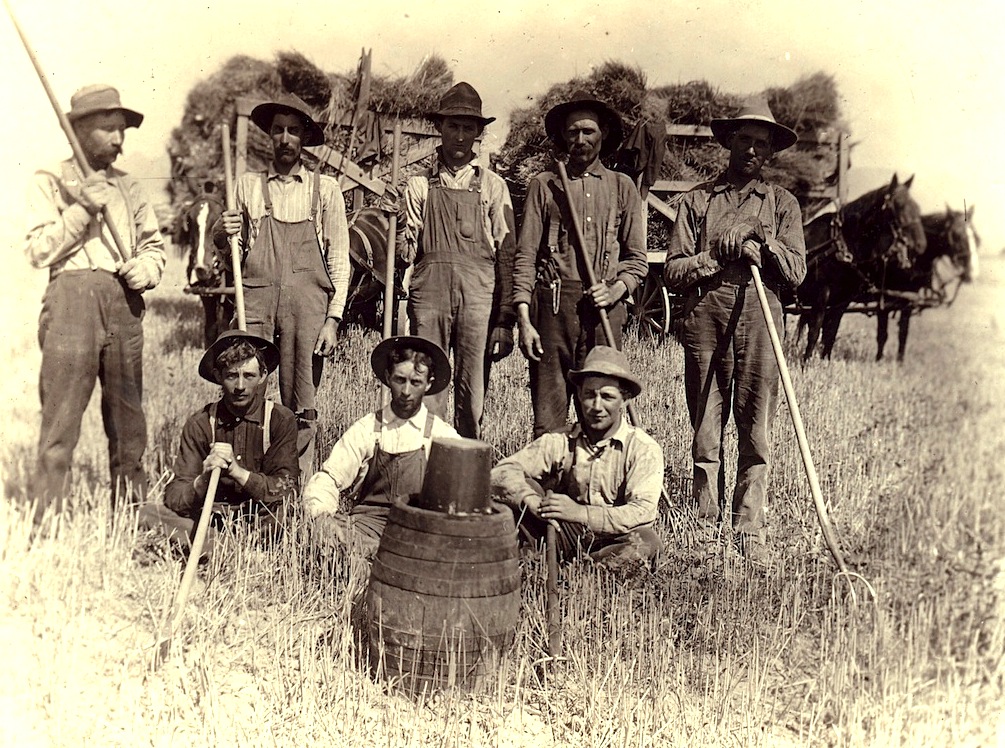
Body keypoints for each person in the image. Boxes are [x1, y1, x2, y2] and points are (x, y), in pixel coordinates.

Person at [662, 98, 807, 565]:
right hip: (707, 312)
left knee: (756, 426)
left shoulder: (783, 205)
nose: (750, 150)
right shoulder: (697, 201)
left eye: (760, 144)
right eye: (743, 140)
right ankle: (705, 526)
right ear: (729, 143)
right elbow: (673, 271)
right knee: (706, 425)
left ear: (769, 153)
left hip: (762, 315)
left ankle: (748, 528)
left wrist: (760, 241)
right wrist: (715, 257)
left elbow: (798, 271)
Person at [24, 84, 166, 517]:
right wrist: (82, 209)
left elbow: (153, 247)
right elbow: (37, 250)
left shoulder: (131, 188)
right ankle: (45, 519)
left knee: (128, 419)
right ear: (79, 130)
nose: (119, 140)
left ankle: (132, 513)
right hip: (71, 302)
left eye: (121, 130)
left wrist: (147, 269)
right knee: (61, 418)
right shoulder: (50, 180)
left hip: (122, 303)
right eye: (108, 129)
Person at [214, 96, 351, 476]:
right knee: (244, 383)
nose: (285, 138)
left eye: (293, 130)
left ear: (304, 136)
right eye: (277, 130)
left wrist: (333, 320)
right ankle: (243, 474)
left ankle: (294, 478)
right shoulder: (247, 186)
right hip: (256, 298)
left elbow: (339, 261)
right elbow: (235, 262)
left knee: (301, 397)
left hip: (307, 305)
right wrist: (222, 236)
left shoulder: (326, 191)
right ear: (269, 136)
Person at [512, 91, 648, 437]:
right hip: (553, 309)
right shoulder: (545, 185)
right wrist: (525, 321)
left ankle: (596, 488)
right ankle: (549, 489)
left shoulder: (623, 187)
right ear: (562, 137)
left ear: (602, 134)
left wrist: (616, 288)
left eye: (588, 131)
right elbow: (526, 256)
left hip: (604, 312)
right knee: (548, 420)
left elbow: (637, 261)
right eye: (572, 133)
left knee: (599, 413)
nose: (580, 140)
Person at [398, 82, 516, 439]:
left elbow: (507, 255)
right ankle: (421, 464)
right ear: (440, 128)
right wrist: (398, 223)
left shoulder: (494, 186)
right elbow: (406, 253)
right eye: (453, 126)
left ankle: (464, 470)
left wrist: (505, 318)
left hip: (478, 298)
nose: (460, 136)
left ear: (479, 133)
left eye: (469, 128)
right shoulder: (419, 185)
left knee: (472, 388)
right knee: (425, 379)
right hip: (430, 294)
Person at [491, 345, 664, 568]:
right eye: (589, 395)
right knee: (518, 491)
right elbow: (500, 473)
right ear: (579, 396)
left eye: (607, 397)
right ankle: (543, 563)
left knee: (648, 543)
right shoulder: (561, 440)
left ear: (625, 400)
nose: (596, 406)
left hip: (615, 538)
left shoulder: (642, 448)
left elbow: (642, 512)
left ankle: (583, 572)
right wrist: (530, 500)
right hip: (563, 533)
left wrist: (580, 512)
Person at [138, 330, 299, 554]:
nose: (240, 386)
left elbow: (287, 488)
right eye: (232, 376)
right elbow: (174, 495)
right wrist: (202, 481)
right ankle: (229, 550)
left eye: (249, 376)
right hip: (213, 520)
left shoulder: (280, 420)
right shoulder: (200, 423)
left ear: (263, 375)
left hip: (260, 523)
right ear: (218, 376)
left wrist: (238, 473)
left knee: (287, 516)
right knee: (147, 514)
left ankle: (224, 549)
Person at [302, 336, 459, 558]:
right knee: (329, 533)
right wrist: (321, 516)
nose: (406, 391)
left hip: (418, 530)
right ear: (387, 377)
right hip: (366, 529)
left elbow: (463, 494)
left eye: (415, 382)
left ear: (429, 384)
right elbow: (329, 477)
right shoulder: (367, 429)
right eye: (399, 380)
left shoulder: (442, 435)